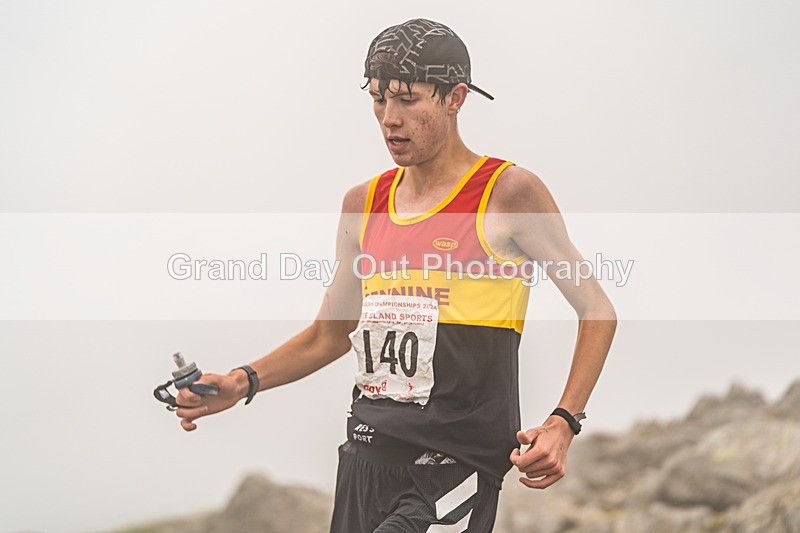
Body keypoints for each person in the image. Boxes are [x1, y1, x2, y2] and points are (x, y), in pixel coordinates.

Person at [175, 18, 617, 532]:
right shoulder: (363, 204)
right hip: (365, 457)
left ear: (455, 98)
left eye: (408, 99)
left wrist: (564, 421)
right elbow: (330, 333)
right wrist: (240, 381)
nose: (390, 118)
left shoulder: (508, 192)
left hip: (455, 465)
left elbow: (596, 310)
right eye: (378, 99)